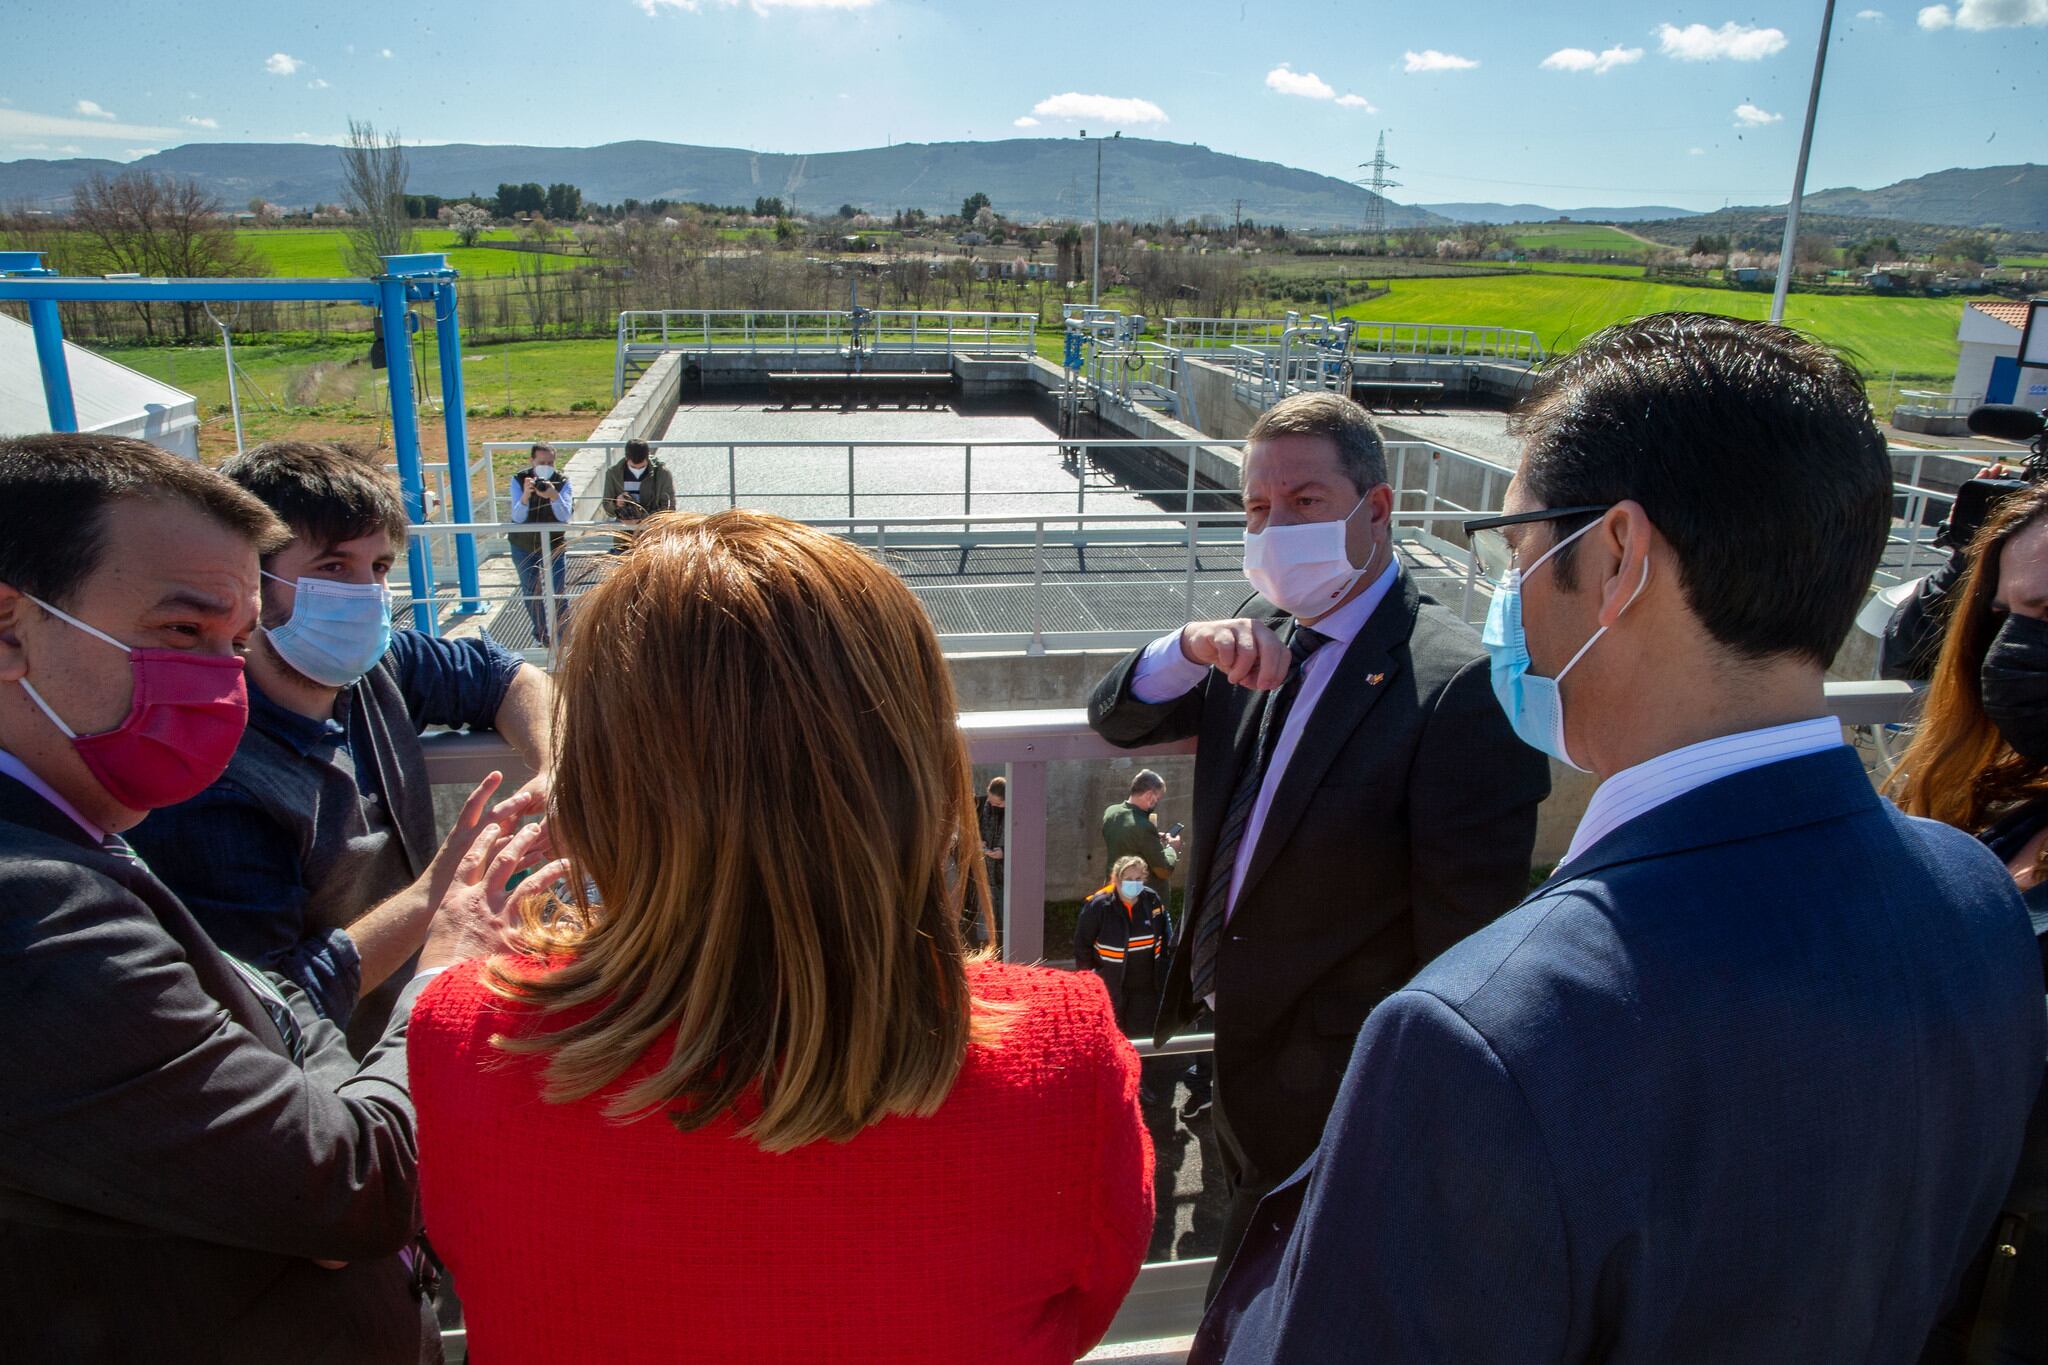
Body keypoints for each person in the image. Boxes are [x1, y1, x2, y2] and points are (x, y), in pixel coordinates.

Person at [1195, 313, 2047, 1364]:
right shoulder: (1974, 896)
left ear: (1614, 556)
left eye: (1515, 548)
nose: (1506, 599)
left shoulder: (1482, 1032)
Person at [409, 510, 1152, 1364]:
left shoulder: (465, 1037)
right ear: (915, 766)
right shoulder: (1066, 1053)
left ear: (601, 791)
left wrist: (445, 971)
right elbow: (1072, 1314)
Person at [0, 432, 542, 1362]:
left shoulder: (90, 819)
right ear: (10, 627)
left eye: (233, 641)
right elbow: (350, 1184)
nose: (220, 681)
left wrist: (554, 763)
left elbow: (271, 1003)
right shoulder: (39, 919)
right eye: (181, 631)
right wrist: (443, 965)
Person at [1087, 390, 1550, 1290]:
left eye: (1304, 504)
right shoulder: (1256, 633)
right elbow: (1116, 718)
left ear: (1376, 510)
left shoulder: (1452, 686)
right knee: (1252, 1264)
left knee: (1310, 1286)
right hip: (1231, 1039)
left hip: (1336, 1081)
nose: (1274, 528)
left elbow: (1465, 943)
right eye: (1257, 508)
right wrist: (1188, 644)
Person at [129, 441, 556, 1054]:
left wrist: (554, 766)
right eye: (333, 568)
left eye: (379, 568)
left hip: (423, 1019)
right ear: (249, 577)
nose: (366, 595)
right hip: (341, 1077)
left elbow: (509, 677)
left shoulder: (374, 666)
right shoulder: (212, 781)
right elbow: (270, 1003)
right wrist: (441, 894)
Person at [1889, 483, 2048, 1363]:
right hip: (1934, 1282)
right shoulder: (1995, 808)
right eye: (2007, 617)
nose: (2020, 648)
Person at [1075, 855, 1177, 1112]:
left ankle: (1138, 1085)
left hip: (1145, 986)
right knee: (1111, 1036)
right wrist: (1088, 980)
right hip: (1111, 986)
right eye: (1127, 879)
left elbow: (1165, 936)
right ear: (1116, 879)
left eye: (1138, 879)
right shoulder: (1098, 905)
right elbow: (1082, 945)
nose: (1133, 883)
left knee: (1139, 1037)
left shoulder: (1151, 900)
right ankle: (1109, 1086)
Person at [507, 442, 573, 646]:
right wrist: (526, 495)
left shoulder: (562, 483)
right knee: (530, 592)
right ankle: (541, 635)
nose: (547, 467)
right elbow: (517, 518)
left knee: (558, 591)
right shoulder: (518, 480)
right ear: (532, 461)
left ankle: (563, 637)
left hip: (553, 545)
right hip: (523, 545)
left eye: (550, 463)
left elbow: (564, 516)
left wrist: (553, 495)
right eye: (542, 462)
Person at [1101, 768, 1180, 898]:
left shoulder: (1111, 813)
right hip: (1141, 901)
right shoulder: (1144, 827)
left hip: (1114, 891)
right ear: (1149, 795)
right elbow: (1163, 871)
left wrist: (1152, 839)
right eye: (1157, 799)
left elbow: (1128, 840)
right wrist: (1172, 848)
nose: (1156, 803)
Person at [599, 438, 675, 553]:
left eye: (642, 467)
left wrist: (641, 521)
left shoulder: (662, 473)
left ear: (648, 456)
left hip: (652, 539)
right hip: (623, 539)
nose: (638, 470)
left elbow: (669, 508)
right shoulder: (613, 473)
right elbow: (607, 506)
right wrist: (617, 504)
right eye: (633, 467)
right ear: (626, 458)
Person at [977, 774, 1007, 923]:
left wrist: (1004, 853)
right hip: (983, 871)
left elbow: (1024, 844)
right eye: (990, 801)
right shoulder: (981, 805)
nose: (992, 805)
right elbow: (965, 829)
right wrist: (976, 841)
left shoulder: (1017, 814)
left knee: (1005, 911)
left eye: (998, 805)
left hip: (1005, 876)